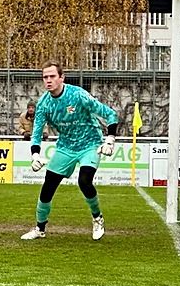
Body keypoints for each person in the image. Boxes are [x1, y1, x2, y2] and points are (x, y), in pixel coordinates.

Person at [21, 61, 118, 242]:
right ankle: (39, 228)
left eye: (52, 76)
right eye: (45, 77)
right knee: (48, 186)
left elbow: (110, 114)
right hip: (65, 147)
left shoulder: (78, 95)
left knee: (84, 181)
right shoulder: (43, 104)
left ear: (61, 78)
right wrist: (35, 155)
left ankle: (98, 218)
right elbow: (36, 133)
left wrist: (110, 139)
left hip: (90, 144)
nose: (48, 80)